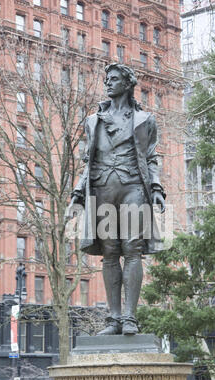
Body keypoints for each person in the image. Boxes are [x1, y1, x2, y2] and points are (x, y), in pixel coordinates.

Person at [69, 63, 165, 336]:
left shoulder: (145, 120)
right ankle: (113, 320)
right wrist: (77, 194)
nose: (108, 83)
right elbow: (88, 162)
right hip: (101, 188)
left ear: (127, 84)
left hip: (133, 185)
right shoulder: (92, 121)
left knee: (132, 248)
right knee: (110, 253)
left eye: (113, 79)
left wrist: (156, 188)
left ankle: (130, 318)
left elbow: (151, 157)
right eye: (106, 79)